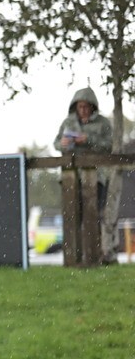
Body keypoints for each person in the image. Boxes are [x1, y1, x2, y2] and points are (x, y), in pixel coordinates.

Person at [55, 86, 116, 261]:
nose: (83, 110)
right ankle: (74, 257)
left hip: (97, 177)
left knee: (93, 215)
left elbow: (108, 146)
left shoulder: (103, 123)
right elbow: (56, 143)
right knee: (72, 216)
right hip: (71, 178)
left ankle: (96, 256)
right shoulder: (68, 123)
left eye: (86, 106)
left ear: (92, 107)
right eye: (79, 106)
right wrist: (64, 144)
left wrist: (88, 140)